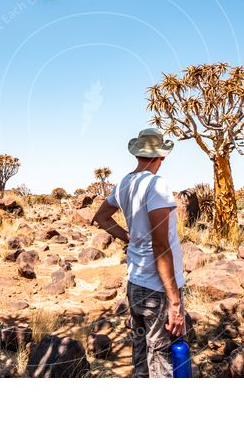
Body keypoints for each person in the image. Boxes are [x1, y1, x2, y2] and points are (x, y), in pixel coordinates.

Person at [92, 127, 186, 378]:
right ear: (161, 157)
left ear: (138, 155)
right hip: (157, 286)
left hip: (135, 282)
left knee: (141, 352)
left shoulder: (124, 183)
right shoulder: (157, 186)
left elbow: (101, 217)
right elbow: (160, 245)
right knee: (162, 355)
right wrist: (175, 302)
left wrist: (128, 236)